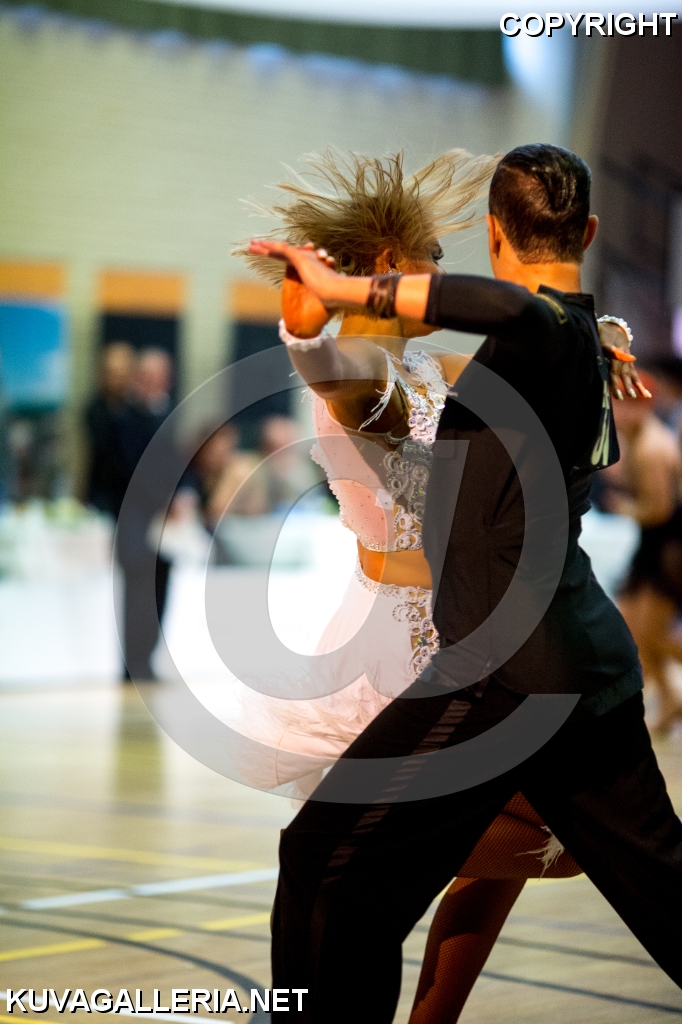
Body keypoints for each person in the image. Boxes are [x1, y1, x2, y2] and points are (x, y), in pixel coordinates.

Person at [250, 143, 682, 1022]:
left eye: (454, 255)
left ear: (494, 235)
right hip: (450, 645)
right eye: (429, 261)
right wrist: (308, 333)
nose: (443, 268)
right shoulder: (379, 378)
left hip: (496, 652)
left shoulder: (471, 360)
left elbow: (521, 320)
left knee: (364, 867)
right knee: (380, 865)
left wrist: (585, 344)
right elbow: (346, 382)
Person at [606, 374, 682, 732]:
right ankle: (670, 700)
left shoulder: (652, 447)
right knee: (634, 634)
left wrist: (624, 508)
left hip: (668, 549)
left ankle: (670, 700)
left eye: (620, 405)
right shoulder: (636, 440)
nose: (614, 412)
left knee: (649, 636)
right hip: (654, 545)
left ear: (640, 407)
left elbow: (659, 512)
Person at [114, 348, 186, 681]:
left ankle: (149, 657)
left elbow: (183, 461)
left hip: (167, 524)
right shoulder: (124, 417)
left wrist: (185, 494)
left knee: (161, 591)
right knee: (137, 593)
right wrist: (165, 499)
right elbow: (132, 468)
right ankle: (133, 663)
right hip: (137, 520)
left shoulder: (170, 413)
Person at [83, 341, 135, 515]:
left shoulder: (137, 410)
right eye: (112, 374)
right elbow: (110, 455)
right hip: (103, 497)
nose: (117, 381)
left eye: (121, 374)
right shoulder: (95, 411)